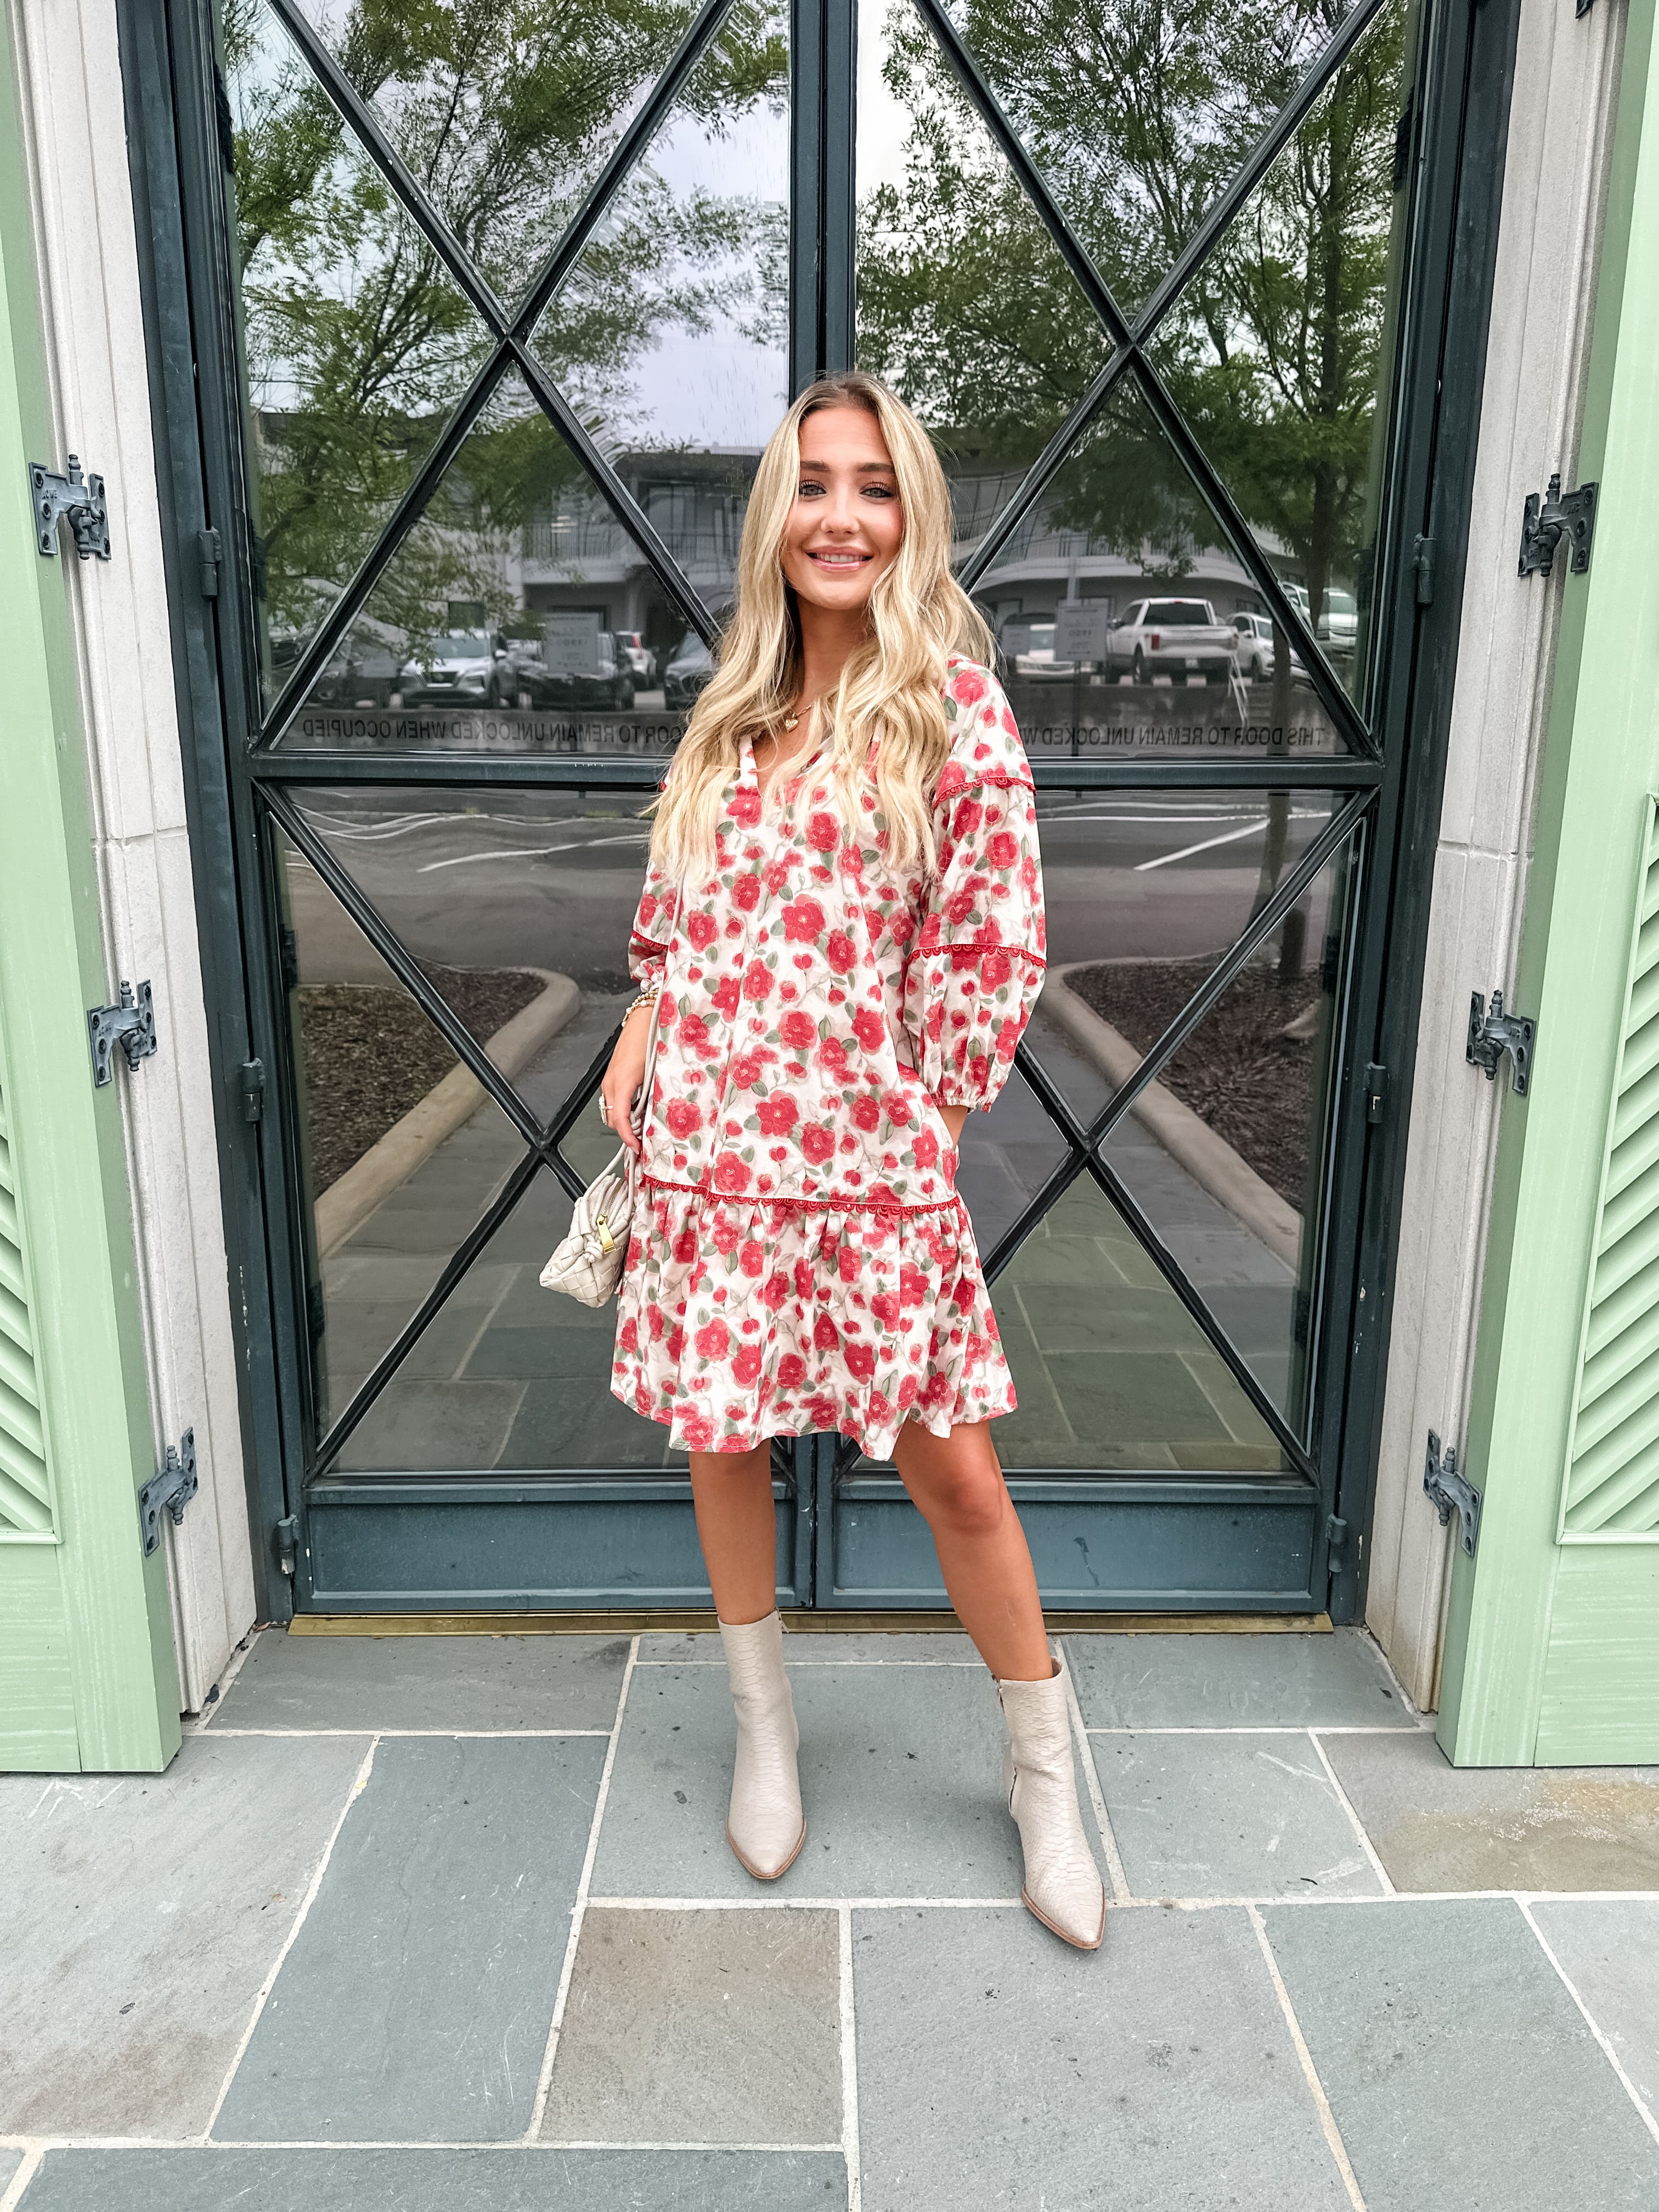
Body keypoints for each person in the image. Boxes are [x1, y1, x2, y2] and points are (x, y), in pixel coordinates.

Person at [599, 372, 1105, 1950]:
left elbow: (995, 936)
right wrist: (641, 1020)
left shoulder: (951, 703)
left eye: (874, 486)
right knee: (725, 1438)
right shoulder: (733, 710)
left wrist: (931, 1121)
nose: (839, 514)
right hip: (708, 1148)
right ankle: (764, 1728)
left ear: (912, 514)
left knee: (953, 1468)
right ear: (776, 514)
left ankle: (1042, 1774)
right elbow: (684, 909)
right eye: (813, 483)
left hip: (871, 1155)